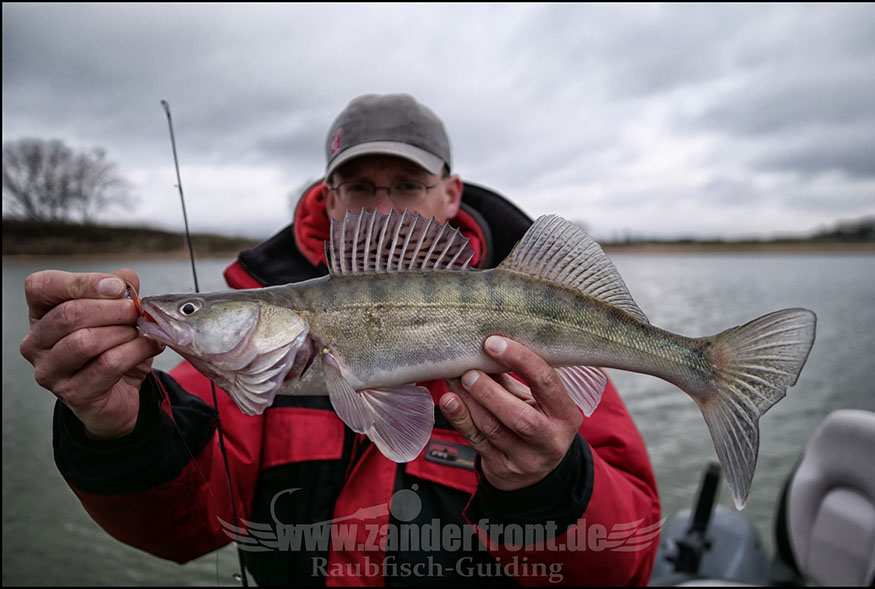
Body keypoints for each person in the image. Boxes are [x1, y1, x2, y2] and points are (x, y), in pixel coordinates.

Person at [21, 94, 660, 585]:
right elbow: (183, 529)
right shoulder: (242, 365)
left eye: (407, 184)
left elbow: (627, 561)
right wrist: (119, 431)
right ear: (329, 198)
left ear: (450, 194)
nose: (384, 206)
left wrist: (553, 482)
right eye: (359, 186)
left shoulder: (540, 322)